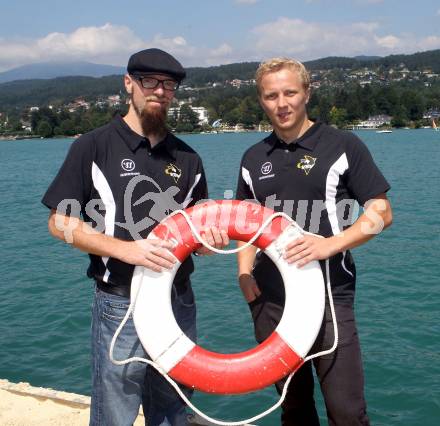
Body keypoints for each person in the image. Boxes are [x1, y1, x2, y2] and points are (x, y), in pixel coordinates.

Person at [42, 48, 228, 426]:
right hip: (119, 304)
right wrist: (127, 250)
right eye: (149, 81)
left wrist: (211, 242)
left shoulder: (188, 158)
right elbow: (59, 222)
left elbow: (196, 236)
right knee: (115, 412)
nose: (159, 91)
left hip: (178, 301)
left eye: (169, 84)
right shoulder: (92, 147)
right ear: (129, 84)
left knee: (174, 407)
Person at [236, 57, 393, 425]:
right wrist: (244, 274)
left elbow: (382, 213)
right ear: (262, 100)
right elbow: (247, 225)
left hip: (329, 298)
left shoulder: (342, 145)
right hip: (270, 299)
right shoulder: (252, 157)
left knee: (346, 412)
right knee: (293, 409)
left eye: (290, 92)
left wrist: (329, 244)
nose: (282, 103)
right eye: (271, 95)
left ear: (307, 93)